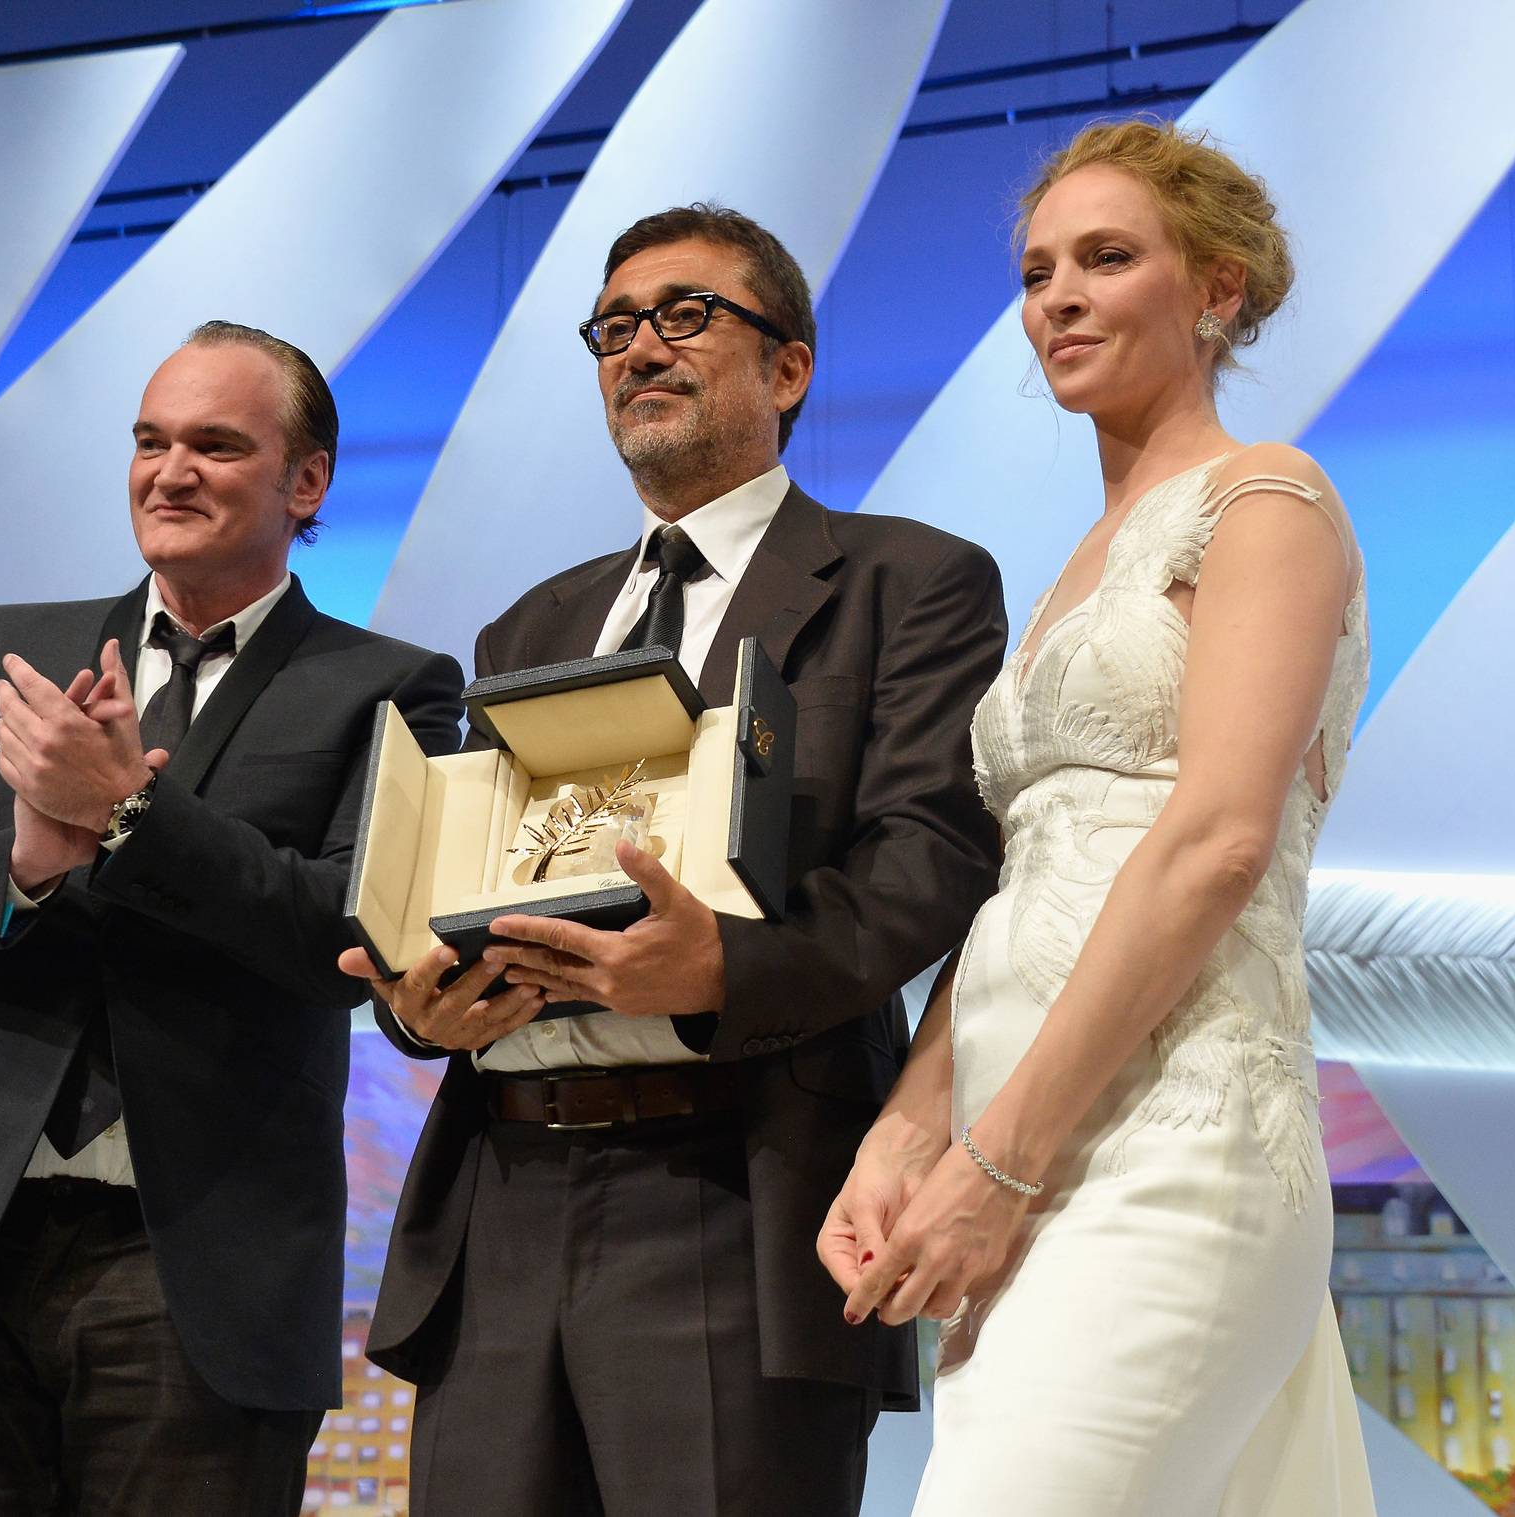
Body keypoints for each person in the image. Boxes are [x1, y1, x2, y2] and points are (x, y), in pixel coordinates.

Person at [339, 205, 1007, 1517]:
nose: (641, 347)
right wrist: (412, 1005)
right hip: (503, 1201)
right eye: (613, 328)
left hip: (736, 1202)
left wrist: (720, 970)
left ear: (790, 367)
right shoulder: (530, 623)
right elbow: (486, 872)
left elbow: (931, 858)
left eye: (686, 314)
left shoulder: (905, 582)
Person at [0, 321, 465, 1515]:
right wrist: (24, 855)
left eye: (216, 444)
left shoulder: (393, 685)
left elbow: (344, 934)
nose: (170, 472)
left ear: (304, 480)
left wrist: (130, 812)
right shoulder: (4, 647)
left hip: (198, 1272)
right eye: (150, 441)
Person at [821, 122, 1378, 1514]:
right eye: (1036, 269)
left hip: (1170, 1147)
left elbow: (1216, 841)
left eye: (1106, 258)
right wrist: (907, 1130)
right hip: (1025, 1150)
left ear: (1218, 292)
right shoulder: (1077, 564)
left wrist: (996, 1161)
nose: (1056, 296)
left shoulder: (1268, 499)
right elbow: (1028, 886)